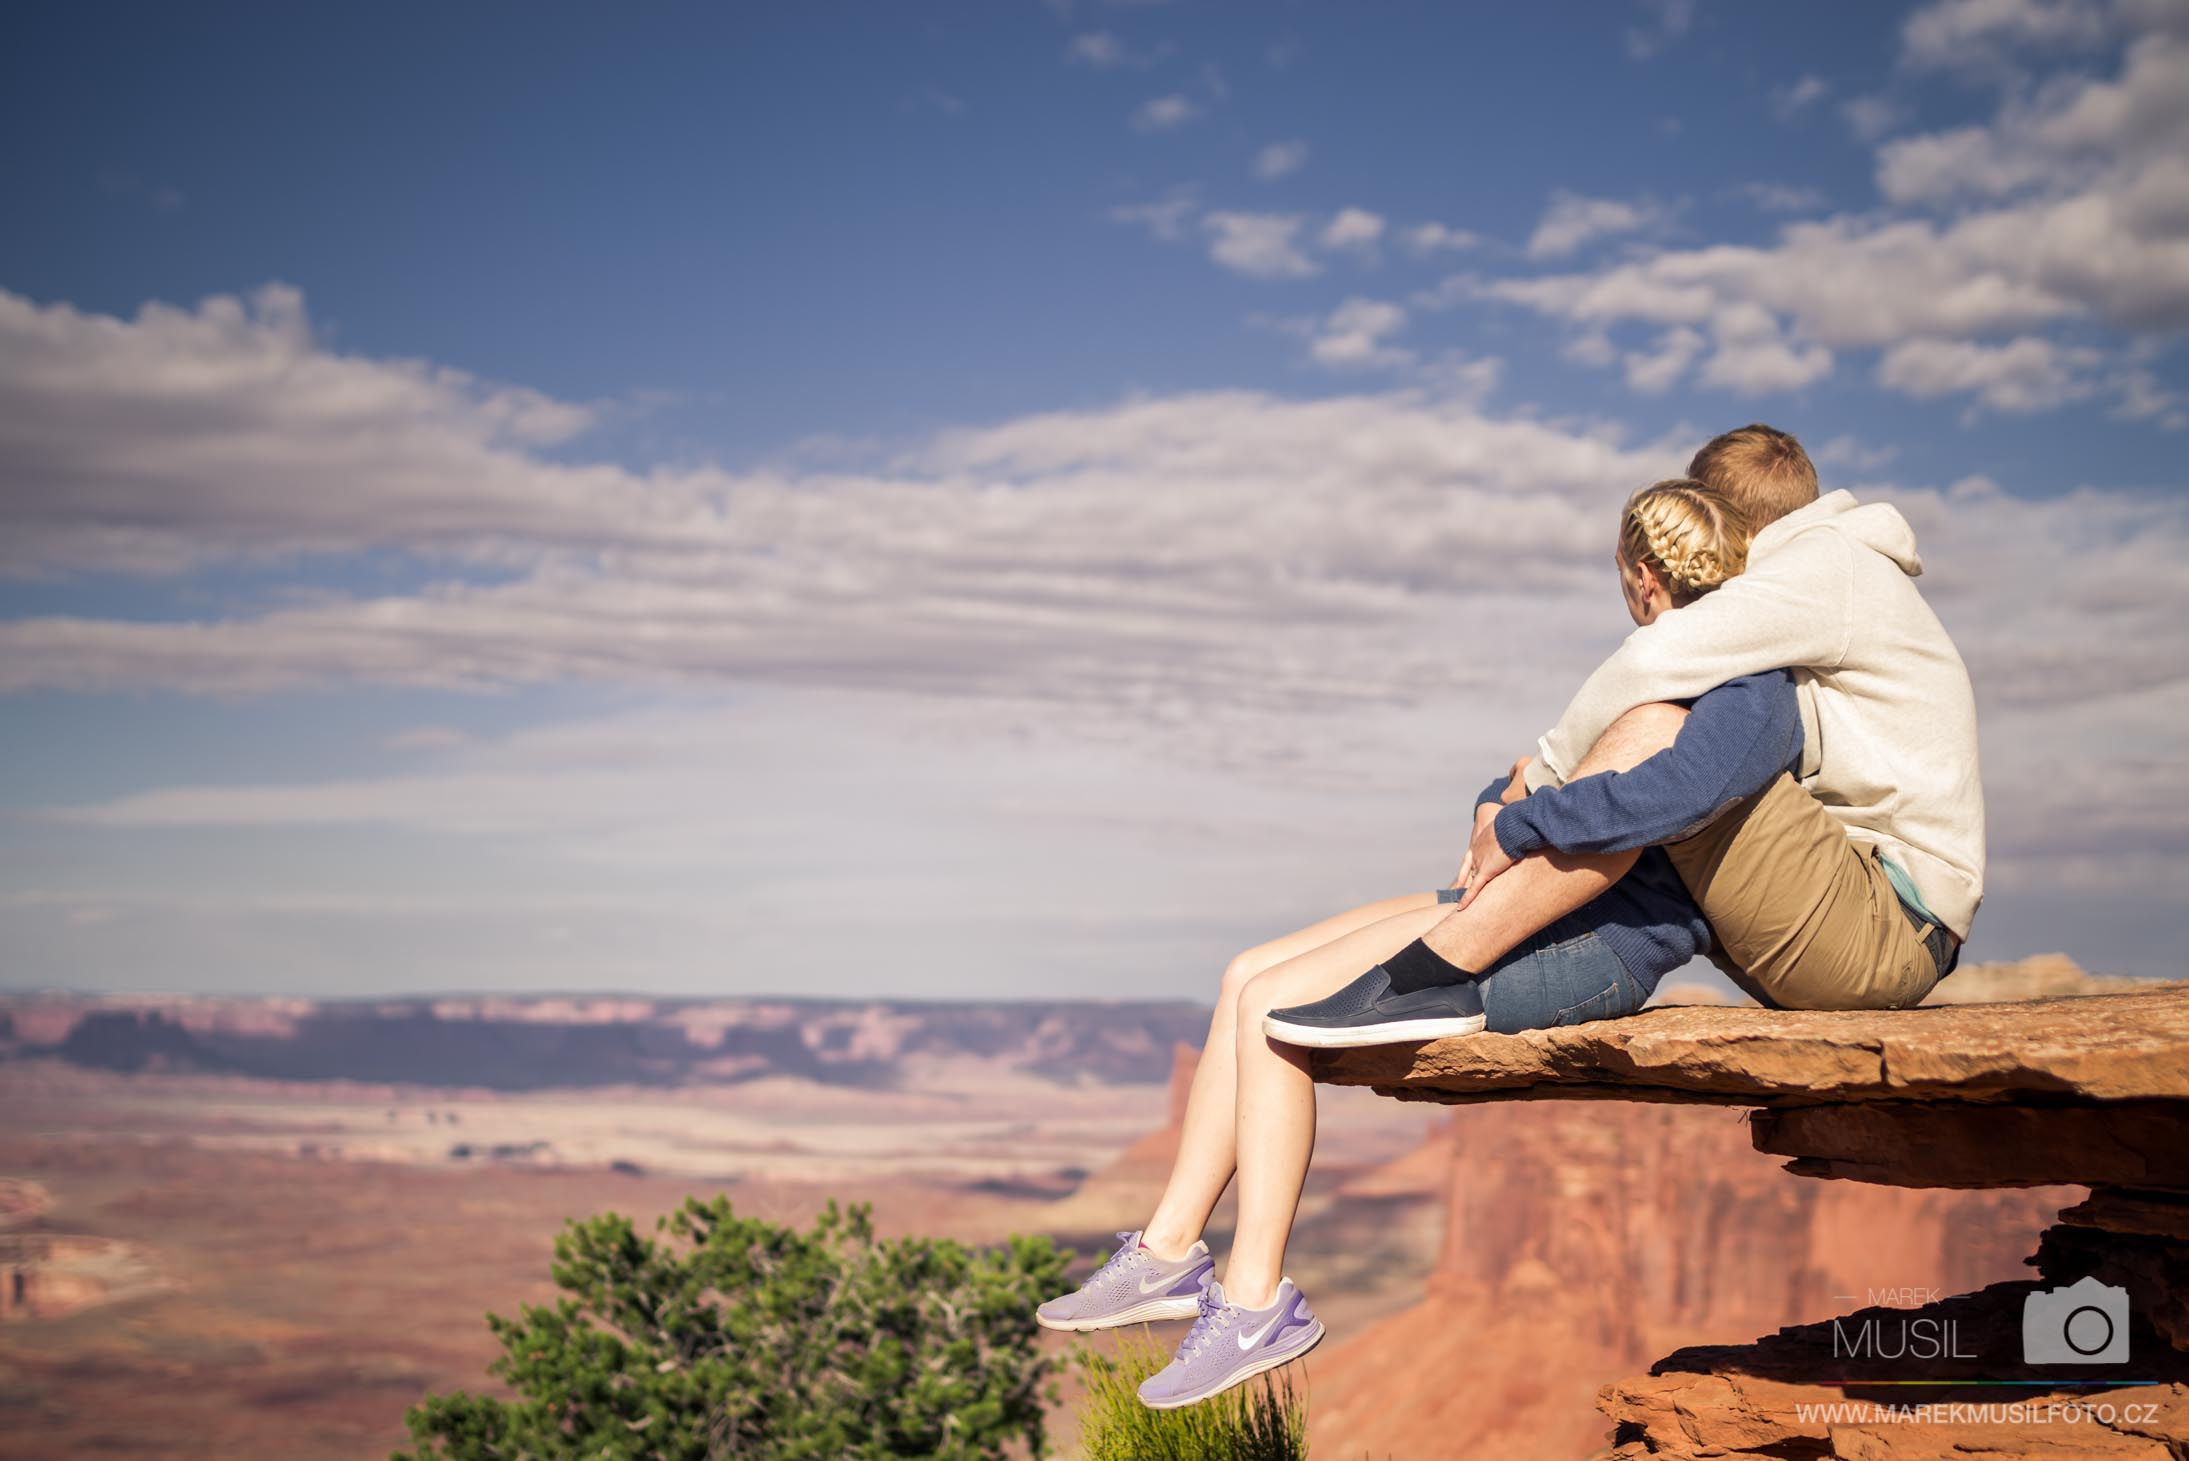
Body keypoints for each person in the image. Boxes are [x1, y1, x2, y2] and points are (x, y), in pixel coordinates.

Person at [1037, 478, 1806, 1409]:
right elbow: (1537, 765)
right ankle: (1167, 1250)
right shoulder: (1657, 665)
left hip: (1590, 935)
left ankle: (1254, 1300)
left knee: (1277, 1016)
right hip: (1519, 899)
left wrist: (1516, 825)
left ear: (1643, 575)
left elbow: (1634, 805)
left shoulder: (1715, 691)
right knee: (1244, 972)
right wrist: (1500, 799)